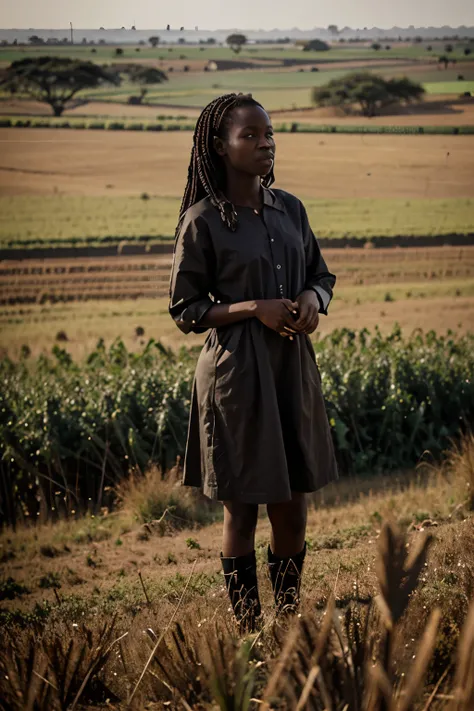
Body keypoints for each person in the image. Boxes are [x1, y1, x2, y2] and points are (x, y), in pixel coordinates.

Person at [169, 93, 338, 631]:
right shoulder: (202, 221)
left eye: (269, 135)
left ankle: (286, 625)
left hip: (291, 369)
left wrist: (314, 301)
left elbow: (321, 275)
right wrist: (253, 309)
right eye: (251, 136)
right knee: (242, 509)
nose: (265, 144)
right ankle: (249, 632)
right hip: (236, 377)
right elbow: (185, 309)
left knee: (292, 503)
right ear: (219, 147)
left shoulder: (291, 208)